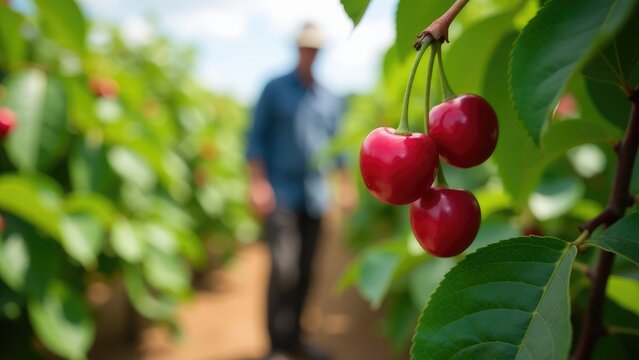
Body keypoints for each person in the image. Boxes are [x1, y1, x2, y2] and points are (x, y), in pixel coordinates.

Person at [245, 23, 356, 360]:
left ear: (320, 53)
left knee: (307, 269)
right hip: (281, 192)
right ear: (297, 49)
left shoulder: (328, 97)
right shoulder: (274, 89)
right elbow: (255, 139)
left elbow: (338, 148)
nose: (310, 53)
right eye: (305, 48)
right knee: (284, 268)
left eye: (315, 49)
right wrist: (257, 183)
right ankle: (276, 345)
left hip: (314, 195)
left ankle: (295, 338)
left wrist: (345, 185)